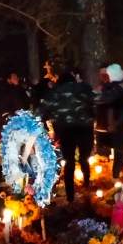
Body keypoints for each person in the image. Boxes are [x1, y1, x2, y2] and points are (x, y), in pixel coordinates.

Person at [40, 69, 95, 203]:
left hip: (66, 130)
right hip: (85, 128)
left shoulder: (55, 92)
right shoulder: (84, 88)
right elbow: (95, 101)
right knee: (84, 158)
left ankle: (70, 196)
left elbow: (43, 110)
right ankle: (87, 185)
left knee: (69, 162)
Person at [96, 63, 123, 177]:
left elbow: (106, 101)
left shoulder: (115, 88)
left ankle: (116, 175)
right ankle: (115, 175)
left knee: (119, 151)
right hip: (115, 123)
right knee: (118, 151)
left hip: (115, 123)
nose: (103, 76)